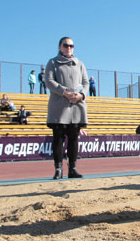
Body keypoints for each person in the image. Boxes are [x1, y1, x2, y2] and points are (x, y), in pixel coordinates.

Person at [45, 37, 89, 179]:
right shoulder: (52, 62)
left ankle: (73, 168)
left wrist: (81, 95)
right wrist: (64, 92)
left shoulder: (79, 64)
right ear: (60, 47)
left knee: (73, 139)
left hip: (76, 106)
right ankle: (58, 169)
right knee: (58, 138)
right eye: (66, 45)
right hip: (59, 106)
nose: (69, 48)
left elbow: (86, 82)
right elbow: (49, 81)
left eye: (71, 45)